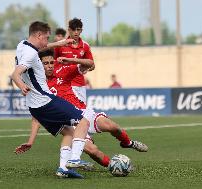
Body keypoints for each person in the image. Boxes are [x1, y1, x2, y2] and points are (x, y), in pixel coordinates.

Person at [15, 50, 148, 172]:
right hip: (70, 124)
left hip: (83, 113)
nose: (50, 66)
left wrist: (72, 60)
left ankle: (128, 143)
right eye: (46, 63)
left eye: (51, 62)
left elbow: (91, 64)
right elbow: (37, 116)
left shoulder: (62, 70)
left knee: (111, 126)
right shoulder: (37, 85)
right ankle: (114, 166)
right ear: (39, 65)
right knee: (92, 150)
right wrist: (31, 141)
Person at [11, 21, 96, 179]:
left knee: (69, 132)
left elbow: (42, 48)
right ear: (39, 35)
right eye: (46, 38)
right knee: (84, 121)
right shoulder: (30, 55)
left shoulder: (22, 45)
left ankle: (63, 169)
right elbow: (15, 74)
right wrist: (21, 85)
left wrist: (61, 43)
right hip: (46, 100)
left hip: (34, 106)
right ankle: (75, 159)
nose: (47, 42)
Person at [54, 18, 95, 104]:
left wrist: (85, 67)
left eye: (78, 29)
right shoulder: (61, 44)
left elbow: (92, 65)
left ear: (81, 30)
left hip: (79, 85)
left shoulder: (85, 46)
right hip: (63, 84)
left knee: (81, 113)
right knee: (64, 113)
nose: (76, 32)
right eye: (73, 29)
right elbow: (53, 63)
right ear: (69, 30)